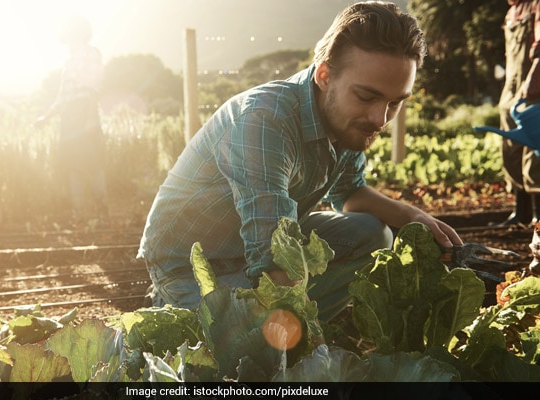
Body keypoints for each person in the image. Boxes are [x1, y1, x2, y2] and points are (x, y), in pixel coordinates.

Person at [137, 1, 463, 323]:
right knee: (237, 358)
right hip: (195, 267)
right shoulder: (264, 119)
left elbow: (350, 194)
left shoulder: (348, 121)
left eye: (395, 103)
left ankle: (287, 329)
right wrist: (305, 343)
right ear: (324, 75)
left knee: (373, 234)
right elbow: (271, 256)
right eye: (366, 97)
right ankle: (174, 306)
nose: (380, 118)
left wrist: (415, 216)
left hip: (258, 250)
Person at [35, 15, 109, 224]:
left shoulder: (90, 55)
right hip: (69, 118)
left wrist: (90, 120)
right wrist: (45, 117)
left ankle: (103, 214)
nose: (67, 43)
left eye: (70, 37)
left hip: (85, 113)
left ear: (78, 36)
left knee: (92, 164)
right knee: (73, 165)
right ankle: (79, 215)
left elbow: (94, 89)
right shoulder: (69, 62)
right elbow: (62, 98)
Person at [492, 0, 540, 228]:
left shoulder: (536, 6)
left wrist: (533, 82)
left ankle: (537, 216)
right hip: (511, 89)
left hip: (533, 88)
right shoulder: (512, 11)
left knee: (534, 152)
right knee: (511, 149)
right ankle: (520, 212)